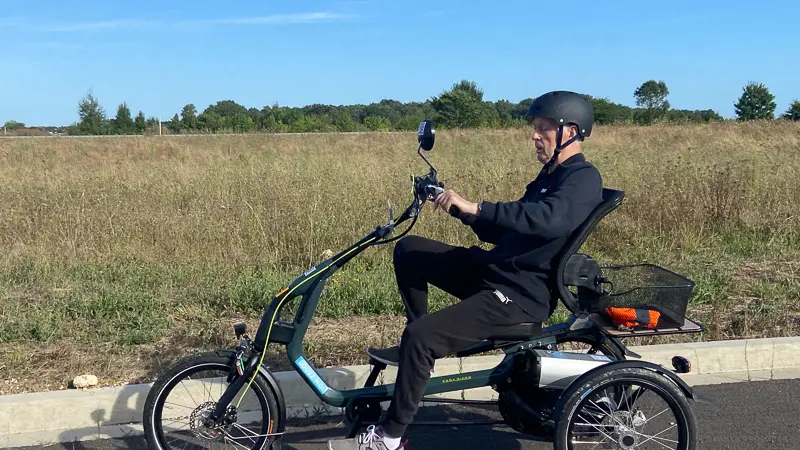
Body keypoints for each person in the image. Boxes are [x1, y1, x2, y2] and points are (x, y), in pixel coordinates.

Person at [327, 90, 603, 450]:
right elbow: (506, 228)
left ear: (570, 132)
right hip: (496, 272)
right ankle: (412, 346)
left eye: (543, 128)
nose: (534, 136)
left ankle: (390, 437)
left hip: (520, 297)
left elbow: (545, 220)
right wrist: (457, 207)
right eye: (534, 128)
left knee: (424, 338)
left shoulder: (582, 179)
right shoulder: (550, 176)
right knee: (410, 250)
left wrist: (478, 205)